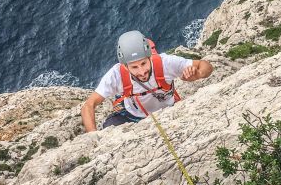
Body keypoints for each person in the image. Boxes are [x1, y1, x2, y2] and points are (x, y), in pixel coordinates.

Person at [81, 30, 213, 132]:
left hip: (168, 110)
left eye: (144, 63)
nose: (141, 71)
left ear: (150, 57)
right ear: (125, 66)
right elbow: (89, 105)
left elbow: (205, 65)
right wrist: (93, 134)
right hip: (131, 115)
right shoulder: (116, 74)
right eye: (134, 67)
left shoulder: (165, 63)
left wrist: (198, 74)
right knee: (108, 129)